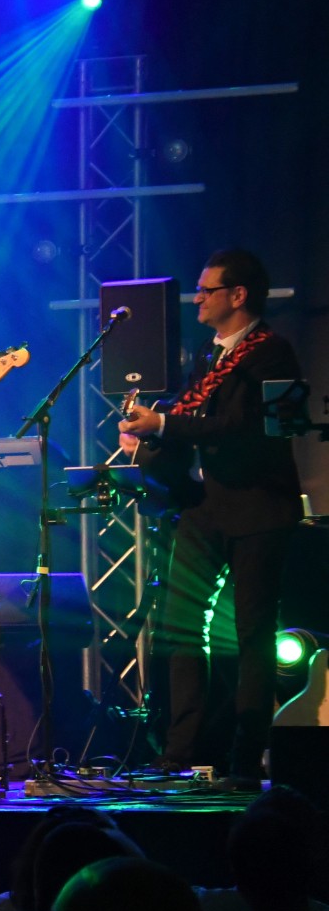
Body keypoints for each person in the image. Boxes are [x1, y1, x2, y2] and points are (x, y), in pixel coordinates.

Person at [118, 248, 302, 792]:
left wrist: (162, 425)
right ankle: (181, 752)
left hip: (259, 508)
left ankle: (245, 760)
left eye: (207, 289)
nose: (196, 298)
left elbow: (239, 426)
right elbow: (188, 416)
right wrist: (147, 439)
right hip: (206, 507)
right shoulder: (209, 354)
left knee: (253, 635)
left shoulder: (270, 352)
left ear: (237, 295)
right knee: (180, 628)